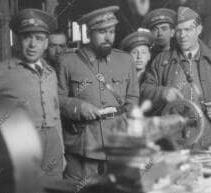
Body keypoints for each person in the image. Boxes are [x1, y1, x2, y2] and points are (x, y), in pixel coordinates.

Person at [58, 6, 139, 188]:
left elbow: (133, 97)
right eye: (102, 32)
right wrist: (78, 107)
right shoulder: (68, 61)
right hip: (83, 145)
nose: (108, 37)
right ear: (89, 32)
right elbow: (56, 98)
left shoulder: (126, 61)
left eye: (111, 31)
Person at [0, 9, 64, 181]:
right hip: (22, 148)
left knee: (55, 188)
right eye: (27, 37)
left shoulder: (51, 73)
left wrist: (61, 151)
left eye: (39, 38)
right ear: (18, 41)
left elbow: (56, 116)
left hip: (53, 148)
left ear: (46, 43)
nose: (33, 45)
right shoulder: (1, 71)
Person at [140, 6, 211, 147]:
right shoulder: (161, 61)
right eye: (179, 30)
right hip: (172, 139)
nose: (183, 35)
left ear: (199, 30)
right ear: (174, 32)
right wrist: (162, 92)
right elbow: (144, 89)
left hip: (207, 137)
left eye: (188, 30)